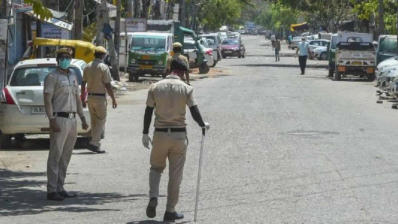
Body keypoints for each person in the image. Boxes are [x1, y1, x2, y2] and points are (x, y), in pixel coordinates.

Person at [142, 59, 210, 222]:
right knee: (175, 174)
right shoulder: (186, 89)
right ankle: (170, 210)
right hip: (179, 136)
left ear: (170, 69)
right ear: (182, 72)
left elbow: (148, 111)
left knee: (156, 168)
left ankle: (153, 196)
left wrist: (145, 132)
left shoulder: (155, 87)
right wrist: (202, 124)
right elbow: (194, 110)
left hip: (160, 134)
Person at [44, 48, 89, 201]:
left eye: (68, 57)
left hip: (72, 119)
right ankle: (51, 190)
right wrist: (51, 119)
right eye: (62, 57)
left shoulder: (73, 75)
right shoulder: (52, 77)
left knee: (66, 155)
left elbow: (77, 98)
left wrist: (82, 117)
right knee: (55, 154)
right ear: (57, 60)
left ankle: (60, 187)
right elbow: (47, 100)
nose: (65, 60)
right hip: (59, 119)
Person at [81, 46, 117, 153]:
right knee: (101, 120)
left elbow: (83, 84)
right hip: (100, 98)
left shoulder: (87, 66)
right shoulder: (103, 67)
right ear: (103, 55)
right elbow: (107, 85)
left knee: (94, 121)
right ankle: (94, 143)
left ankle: (93, 141)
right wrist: (113, 99)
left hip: (90, 98)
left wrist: (83, 98)